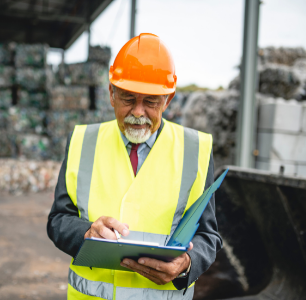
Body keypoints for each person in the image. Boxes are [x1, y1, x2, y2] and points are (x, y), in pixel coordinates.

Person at [47, 33, 222, 299]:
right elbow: (58, 220)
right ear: (111, 94)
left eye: (150, 101)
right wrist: (86, 232)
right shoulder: (83, 140)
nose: (138, 112)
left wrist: (186, 264)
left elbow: (208, 235)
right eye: (128, 98)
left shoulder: (195, 149)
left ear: (168, 100)